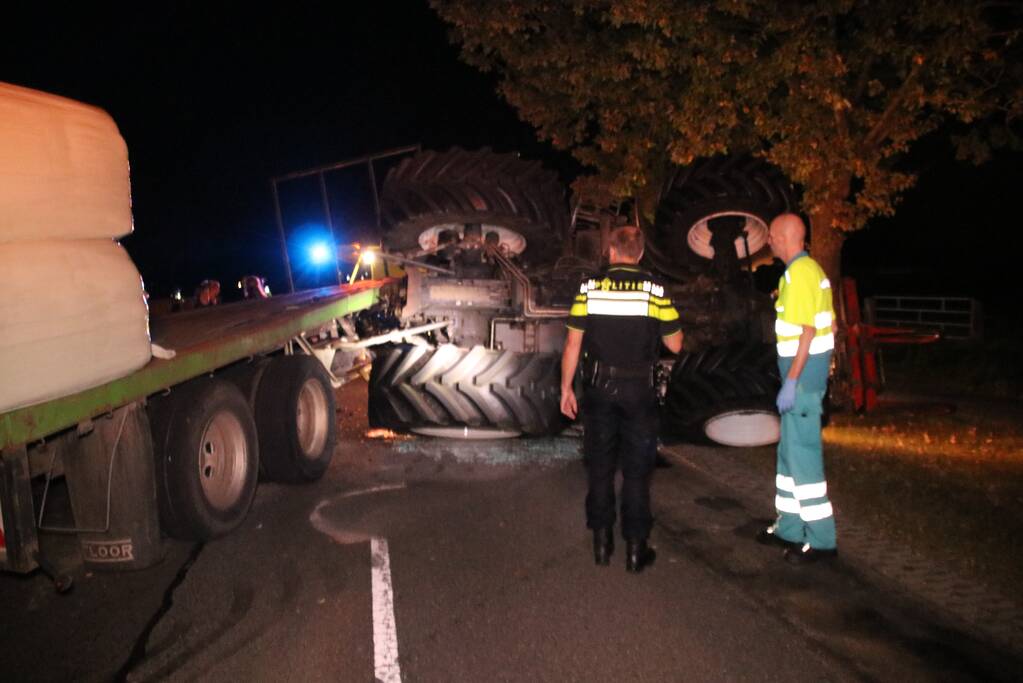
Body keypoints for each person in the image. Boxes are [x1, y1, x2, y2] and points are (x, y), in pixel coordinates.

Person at [560, 225, 683, 573]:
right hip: (639, 394)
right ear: (640, 254)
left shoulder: (589, 287)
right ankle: (635, 550)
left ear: (611, 252)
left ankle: (602, 543)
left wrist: (566, 388)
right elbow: (676, 344)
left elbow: (573, 344)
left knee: (599, 468)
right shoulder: (655, 290)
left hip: (599, 391)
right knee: (636, 473)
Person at [757, 213, 837, 564]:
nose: (769, 241)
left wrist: (792, 381)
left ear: (784, 236)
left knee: (803, 459)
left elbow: (808, 331)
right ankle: (789, 527)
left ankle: (821, 541)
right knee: (789, 455)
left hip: (800, 382)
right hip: (803, 378)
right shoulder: (809, 272)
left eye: (771, 235)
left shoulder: (799, 274)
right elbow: (830, 324)